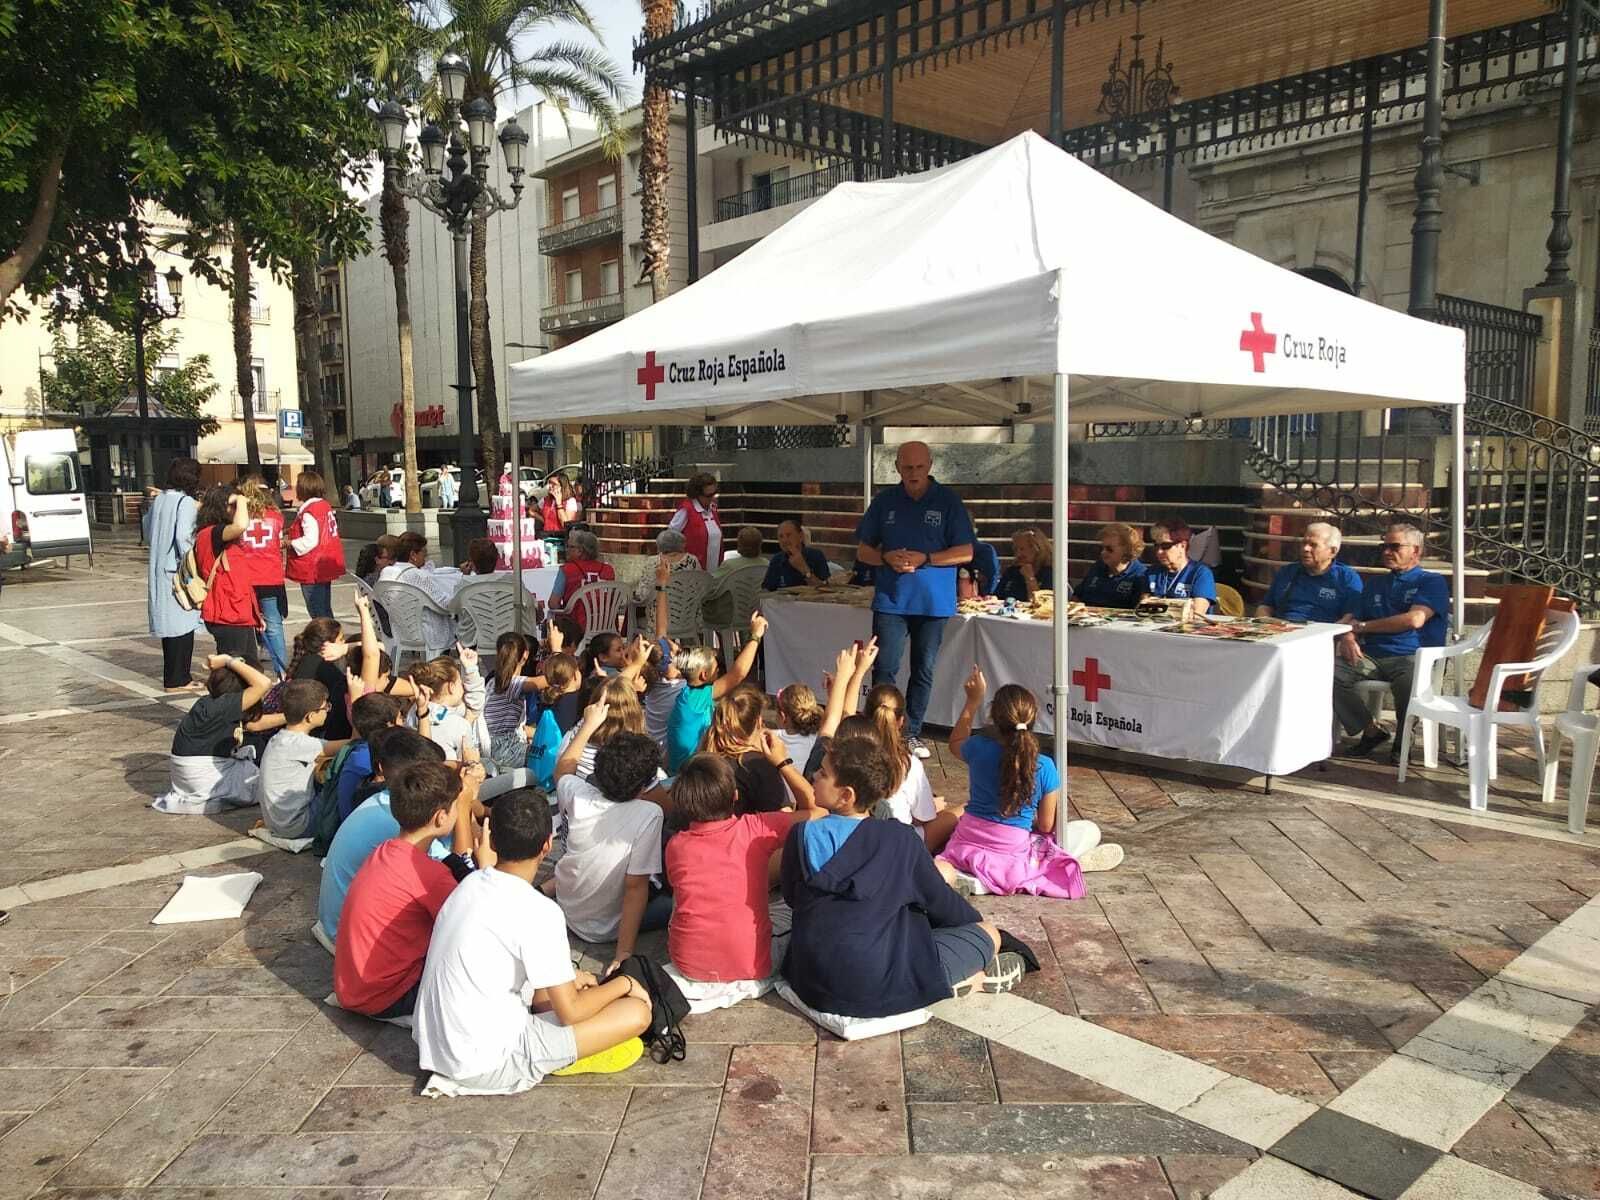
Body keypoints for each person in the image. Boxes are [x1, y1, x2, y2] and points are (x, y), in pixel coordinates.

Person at [414, 788, 652, 1093]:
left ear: (492, 840)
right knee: (636, 1013)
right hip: (488, 1062)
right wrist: (625, 984)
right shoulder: (540, 911)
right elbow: (573, 1012)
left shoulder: (469, 884)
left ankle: (560, 1034)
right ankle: (560, 1055)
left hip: (438, 1047)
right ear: (547, 846)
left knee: (564, 979)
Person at [780, 736, 1023, 1018]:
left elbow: (792, 897)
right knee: (988, 934)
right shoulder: (900, 839)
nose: (813, 776)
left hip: (809, 978)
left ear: (847, 795)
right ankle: (970, 980)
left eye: (822, 773)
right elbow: (944, 906)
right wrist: (977, 926)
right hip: (876, 986)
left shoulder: (801, 835)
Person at [333, 760, 482, 1019]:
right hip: (386, 996)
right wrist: (486, 871)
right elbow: (476, 924)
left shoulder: (383, 851)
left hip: (353, 987)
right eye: (457, 807)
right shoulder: (431, 876)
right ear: (441, 817)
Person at [854, 441, 975, 758]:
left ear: (930, 465)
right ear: (897, 468)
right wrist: (885, 557)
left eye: (919, 467)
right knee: (885, 667)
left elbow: (966, 551)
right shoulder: (885, 501)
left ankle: (911, 732)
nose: (913, 474)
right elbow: (863, 550)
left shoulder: (948, 501)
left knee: (923, 668)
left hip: (933, 602)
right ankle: (881, 733)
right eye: (907, 467)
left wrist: (927, 558)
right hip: (892, 600)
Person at [665, 753, 818, 987]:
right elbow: (816, 814)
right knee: (794, 912)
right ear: (735, 796)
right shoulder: (754, 828)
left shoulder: (676, 845)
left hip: (687, 964)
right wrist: (783, 763)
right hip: (751, 964)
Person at [935, 669, 1087, 898]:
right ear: (1034, 718)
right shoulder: (1045, 766)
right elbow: (1046, 826)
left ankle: (975, 875)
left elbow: (956, 742)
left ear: (994, 718)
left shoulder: (978, 747)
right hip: (1010, 853)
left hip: (965, 842)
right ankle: (988, 880)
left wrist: (972, 700)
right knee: (1085, 831)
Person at [552, 703, 669, 974]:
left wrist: (588, 725)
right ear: (644, 787)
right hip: (608, 927)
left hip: (570, 911)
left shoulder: (576, 792)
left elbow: (564, 770)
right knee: (677, 903)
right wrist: (623, 953)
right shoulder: (649, 813)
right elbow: (635, 887)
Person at [315, 727, 454, 947]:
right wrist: (465, 811)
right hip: (350, 939)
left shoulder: (386, 802)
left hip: (337, 924)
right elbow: (457, 875)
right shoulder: (399, 823)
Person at [1333, 522, 1451, 761]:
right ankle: (1371, 730)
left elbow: (1415, 619)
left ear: (1416, 551)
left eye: (1395, 546)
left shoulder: (1431, 581)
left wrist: (1365, 627)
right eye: (1384, 546)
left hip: (1412, 654)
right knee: (1328, 674)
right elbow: (1353, 617)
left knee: (1410, 680)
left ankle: (1404, 739)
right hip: (1373, 655)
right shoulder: (1375, 583)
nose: (1387, 552)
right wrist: (1347, 635)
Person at [152, 653, 274, 815]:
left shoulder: (211, 703)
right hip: (200, 777)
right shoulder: (222, 705)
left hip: (187, 776)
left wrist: (293, 715)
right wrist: (228, 661)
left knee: (253, 745)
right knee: (266, 780)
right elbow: (263, 684)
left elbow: (253, 725)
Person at [665, 611, 768, 773]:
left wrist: (679, 653)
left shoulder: (687, 693)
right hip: (690, 777)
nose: (719, 669)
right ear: (704, 675)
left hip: (684, 770)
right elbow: (737, 674)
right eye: (716, 667)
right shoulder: (697, 698)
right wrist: (755, 636)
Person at [143, 456, 205, 692]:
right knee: (182, 624)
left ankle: (173, 676)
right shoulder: (186, 503)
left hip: (158, 567)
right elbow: (183, 537)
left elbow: (147, 530)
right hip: (177, 570)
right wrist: (192, 559)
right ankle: (180, 678)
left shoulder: (158, 500)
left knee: (168, 627)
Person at [256, 679, 342, 838]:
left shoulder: (278, 739)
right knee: (340, 778)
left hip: (276, 822)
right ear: (310, 716)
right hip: (298, 826)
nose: (327, 710)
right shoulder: (302, 744)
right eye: (325, 707)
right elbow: (350, 744)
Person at [193, 484, 263, 663]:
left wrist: (255, 615)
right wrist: (240, 499)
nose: (239, 510)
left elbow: (239, 580)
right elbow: (241, 524)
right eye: (234, 506)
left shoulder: (221, 535)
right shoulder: (211, 534)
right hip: (227, 614)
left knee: (250, 667)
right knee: (234, 670)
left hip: (238, 612)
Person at [858, 684, 939, 836]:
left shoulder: (851, 752)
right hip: (897, 841)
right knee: (952, 815)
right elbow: (924, 818)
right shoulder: (908, 762)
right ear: (901, 721)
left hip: (860, 833)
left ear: (864, 714)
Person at [705, 686, 796, 814]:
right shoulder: (759, 765)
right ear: (759, 722)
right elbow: (784, 816)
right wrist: (782, 761)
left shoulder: (704, 756)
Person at [234, 475, 289, 676]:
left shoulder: (240, 518)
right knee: (274, 624)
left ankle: (248, 672)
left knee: (246, 624)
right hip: (271, 576)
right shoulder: (276, 517)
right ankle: (282, 673)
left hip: (245, 576)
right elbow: (279, 542)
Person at [1258, 522, 1363, 624]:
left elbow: (1350, 617)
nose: (1305, 549)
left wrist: (1329, 634)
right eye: (1304, 543)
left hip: (1322, 635)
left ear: (1332, 551)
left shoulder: (1347, 578)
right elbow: (1265, 606)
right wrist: (1264, 625)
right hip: (1281, 631)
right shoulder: (1287, 572)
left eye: (1313, 545)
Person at [334, 692, 408, 822]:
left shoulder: (361, 751)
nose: (404, 724)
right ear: (390, 724)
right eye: (401, 718)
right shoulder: (372, 757)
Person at [286, 470, 346, 620]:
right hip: (325, 562)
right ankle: (333, 638)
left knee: (318, 612)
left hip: (312, 567)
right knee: (325, 609)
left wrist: (289, 543)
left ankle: (326, 640)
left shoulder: (309, 511)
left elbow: (310, 540)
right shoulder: (324, 506)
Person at [1146, 516, 1216, 615]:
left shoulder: (1201, 573)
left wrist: (1156, 604)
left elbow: (1197, 612)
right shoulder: (1152, 572)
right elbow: (1143, 607)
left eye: (1166, 546)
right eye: (1156, 546)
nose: (1159, 551)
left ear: (1182, 546)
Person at [704, 526, 767, 627]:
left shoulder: (730, 566)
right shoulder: (766, 565)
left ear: (740, 544)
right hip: (757, 613)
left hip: (728, 615)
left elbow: (710, 587)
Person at [1073, 523, 1145, 608]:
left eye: (1109, 549)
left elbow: (1139, 612)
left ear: (1127, 550)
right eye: (1101, 548)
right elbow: (1076, 597)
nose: (1103, 552)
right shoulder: (1098, 567)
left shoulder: (1140, 576)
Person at [547, 528, 615, 618]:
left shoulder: (566, 570)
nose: (566, 550)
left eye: (570, 547)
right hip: (606, 627)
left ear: (580, 551)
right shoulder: (609, 570)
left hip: (576, 627)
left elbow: (553, 603)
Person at [669, 472, 723, 570]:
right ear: (696, 494)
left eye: (714, 494)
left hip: (714, 569)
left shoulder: (713, 509)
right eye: (708, 495)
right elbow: (670, 538)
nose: (712, 498)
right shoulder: (686, 510)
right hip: (692, 571)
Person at [632, 528, 698, 604]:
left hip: (658, 611)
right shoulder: (692, 560)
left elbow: (642, 594)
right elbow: (701, 588)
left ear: (659, 544)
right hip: (689, 612)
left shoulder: (653, 562)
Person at [764, 518, 831, 590]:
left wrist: (804, 569)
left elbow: (826, 589)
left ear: (800, 536)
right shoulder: (776, 560)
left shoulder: (816, 556)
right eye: (781, 536)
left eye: (788, 535)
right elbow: (766, 590)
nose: (784, 540)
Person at [996, 527, 1058, 604]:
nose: (1018, 554)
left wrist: (1030, 578)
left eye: (1022, 549)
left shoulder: (1050, 574)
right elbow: (997, 596)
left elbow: (1042, 605)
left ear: (1037, 549)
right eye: (1015, 549)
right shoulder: (1012, 571)